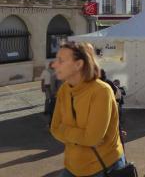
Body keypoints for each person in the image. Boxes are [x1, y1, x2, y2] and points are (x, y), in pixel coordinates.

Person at [50, 42, 125, 177]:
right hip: (72, 166)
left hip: (103, 167)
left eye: (61, 60)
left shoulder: (101, 91)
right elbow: (54, 128)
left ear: (78, 65)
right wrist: (81, 136)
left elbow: (91, 138)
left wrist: (66, 131)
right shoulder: (64, 90)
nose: (55, 64)